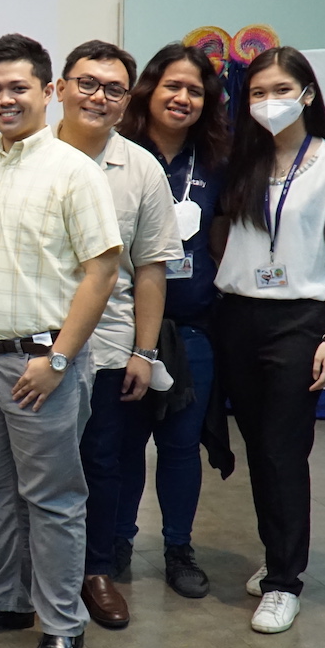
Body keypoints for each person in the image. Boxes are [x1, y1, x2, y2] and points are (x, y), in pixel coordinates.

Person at [0, 33, 121, 648]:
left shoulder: (74, 170)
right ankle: (8, 601)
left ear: (50, 91)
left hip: (42, 364)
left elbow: (102, 271)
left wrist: (60, 360)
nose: (5, 100)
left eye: (18, 88)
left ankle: (62, 623)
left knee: (53, 499)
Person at [215, 47, 325, 635]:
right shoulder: (243, 161)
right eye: (257, 92)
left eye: (280, 90)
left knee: (283, 449)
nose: (268, 101)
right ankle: (276, 554)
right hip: (238, 317)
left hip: (299, 321)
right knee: (259, 447)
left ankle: (284, 582)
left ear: (307, 94)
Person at [56, 40, 183, 629]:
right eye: (86, 83)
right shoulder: (26, 156)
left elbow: (151, 267)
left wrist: (144, 351)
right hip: (35, 344)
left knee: (102, 462)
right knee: (38, 467)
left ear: (127, 100)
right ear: (61, 87)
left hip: (107, 346)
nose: (98, 97)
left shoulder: (142, 169)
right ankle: (36, 574)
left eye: (113, 89)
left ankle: (96, 570)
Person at [117, 42, 231, 600]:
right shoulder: (119, 154)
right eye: (173, 86)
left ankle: (179, 549)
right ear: (149, 91)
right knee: (122, 445)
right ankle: (116, 543)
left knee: (182, 446)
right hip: (122, 328)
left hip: (191, 329)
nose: (183, 98)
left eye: (195, 90)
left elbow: (222, 240)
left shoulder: (216, 163)